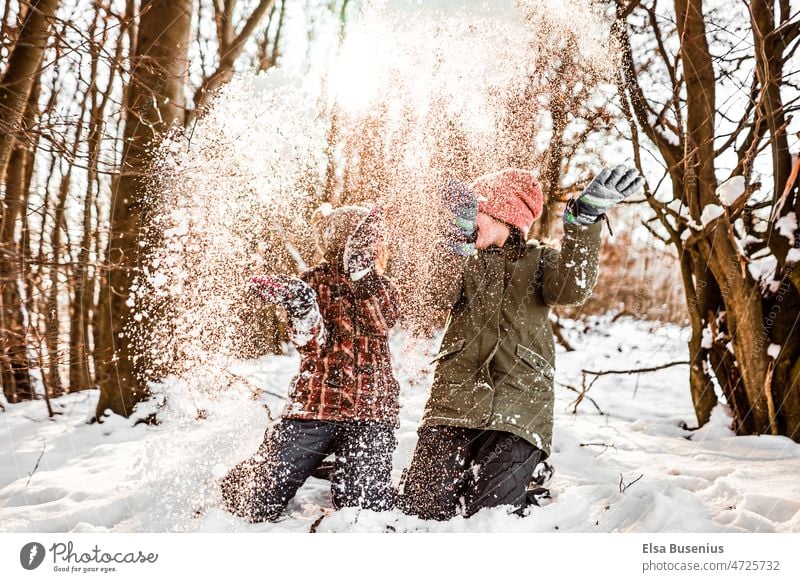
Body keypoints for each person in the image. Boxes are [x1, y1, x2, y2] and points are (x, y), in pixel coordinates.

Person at [401, 165, 644, 520]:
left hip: (518, 406)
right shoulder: (463, 261)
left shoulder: (540, 260)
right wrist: (454, 239)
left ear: (502, 215)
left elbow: (572, 288)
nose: (469, 220)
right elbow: (432, 298)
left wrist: (583, 223)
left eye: (476, 212)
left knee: (488, 514)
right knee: (422, 510)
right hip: (454, 403)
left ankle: (528, 484)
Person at [220, 204, 401, 522]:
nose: (377, 248)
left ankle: (337, 465)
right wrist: (302, 307)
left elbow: (383, 320)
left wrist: (362, 276)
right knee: (255, 500)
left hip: (370, 412)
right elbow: (310, 345)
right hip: (315, 408)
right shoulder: (312, 282)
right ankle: (299, 463)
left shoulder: (382, 287)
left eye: (376, 242)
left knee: (362, 508)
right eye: (370, 241)